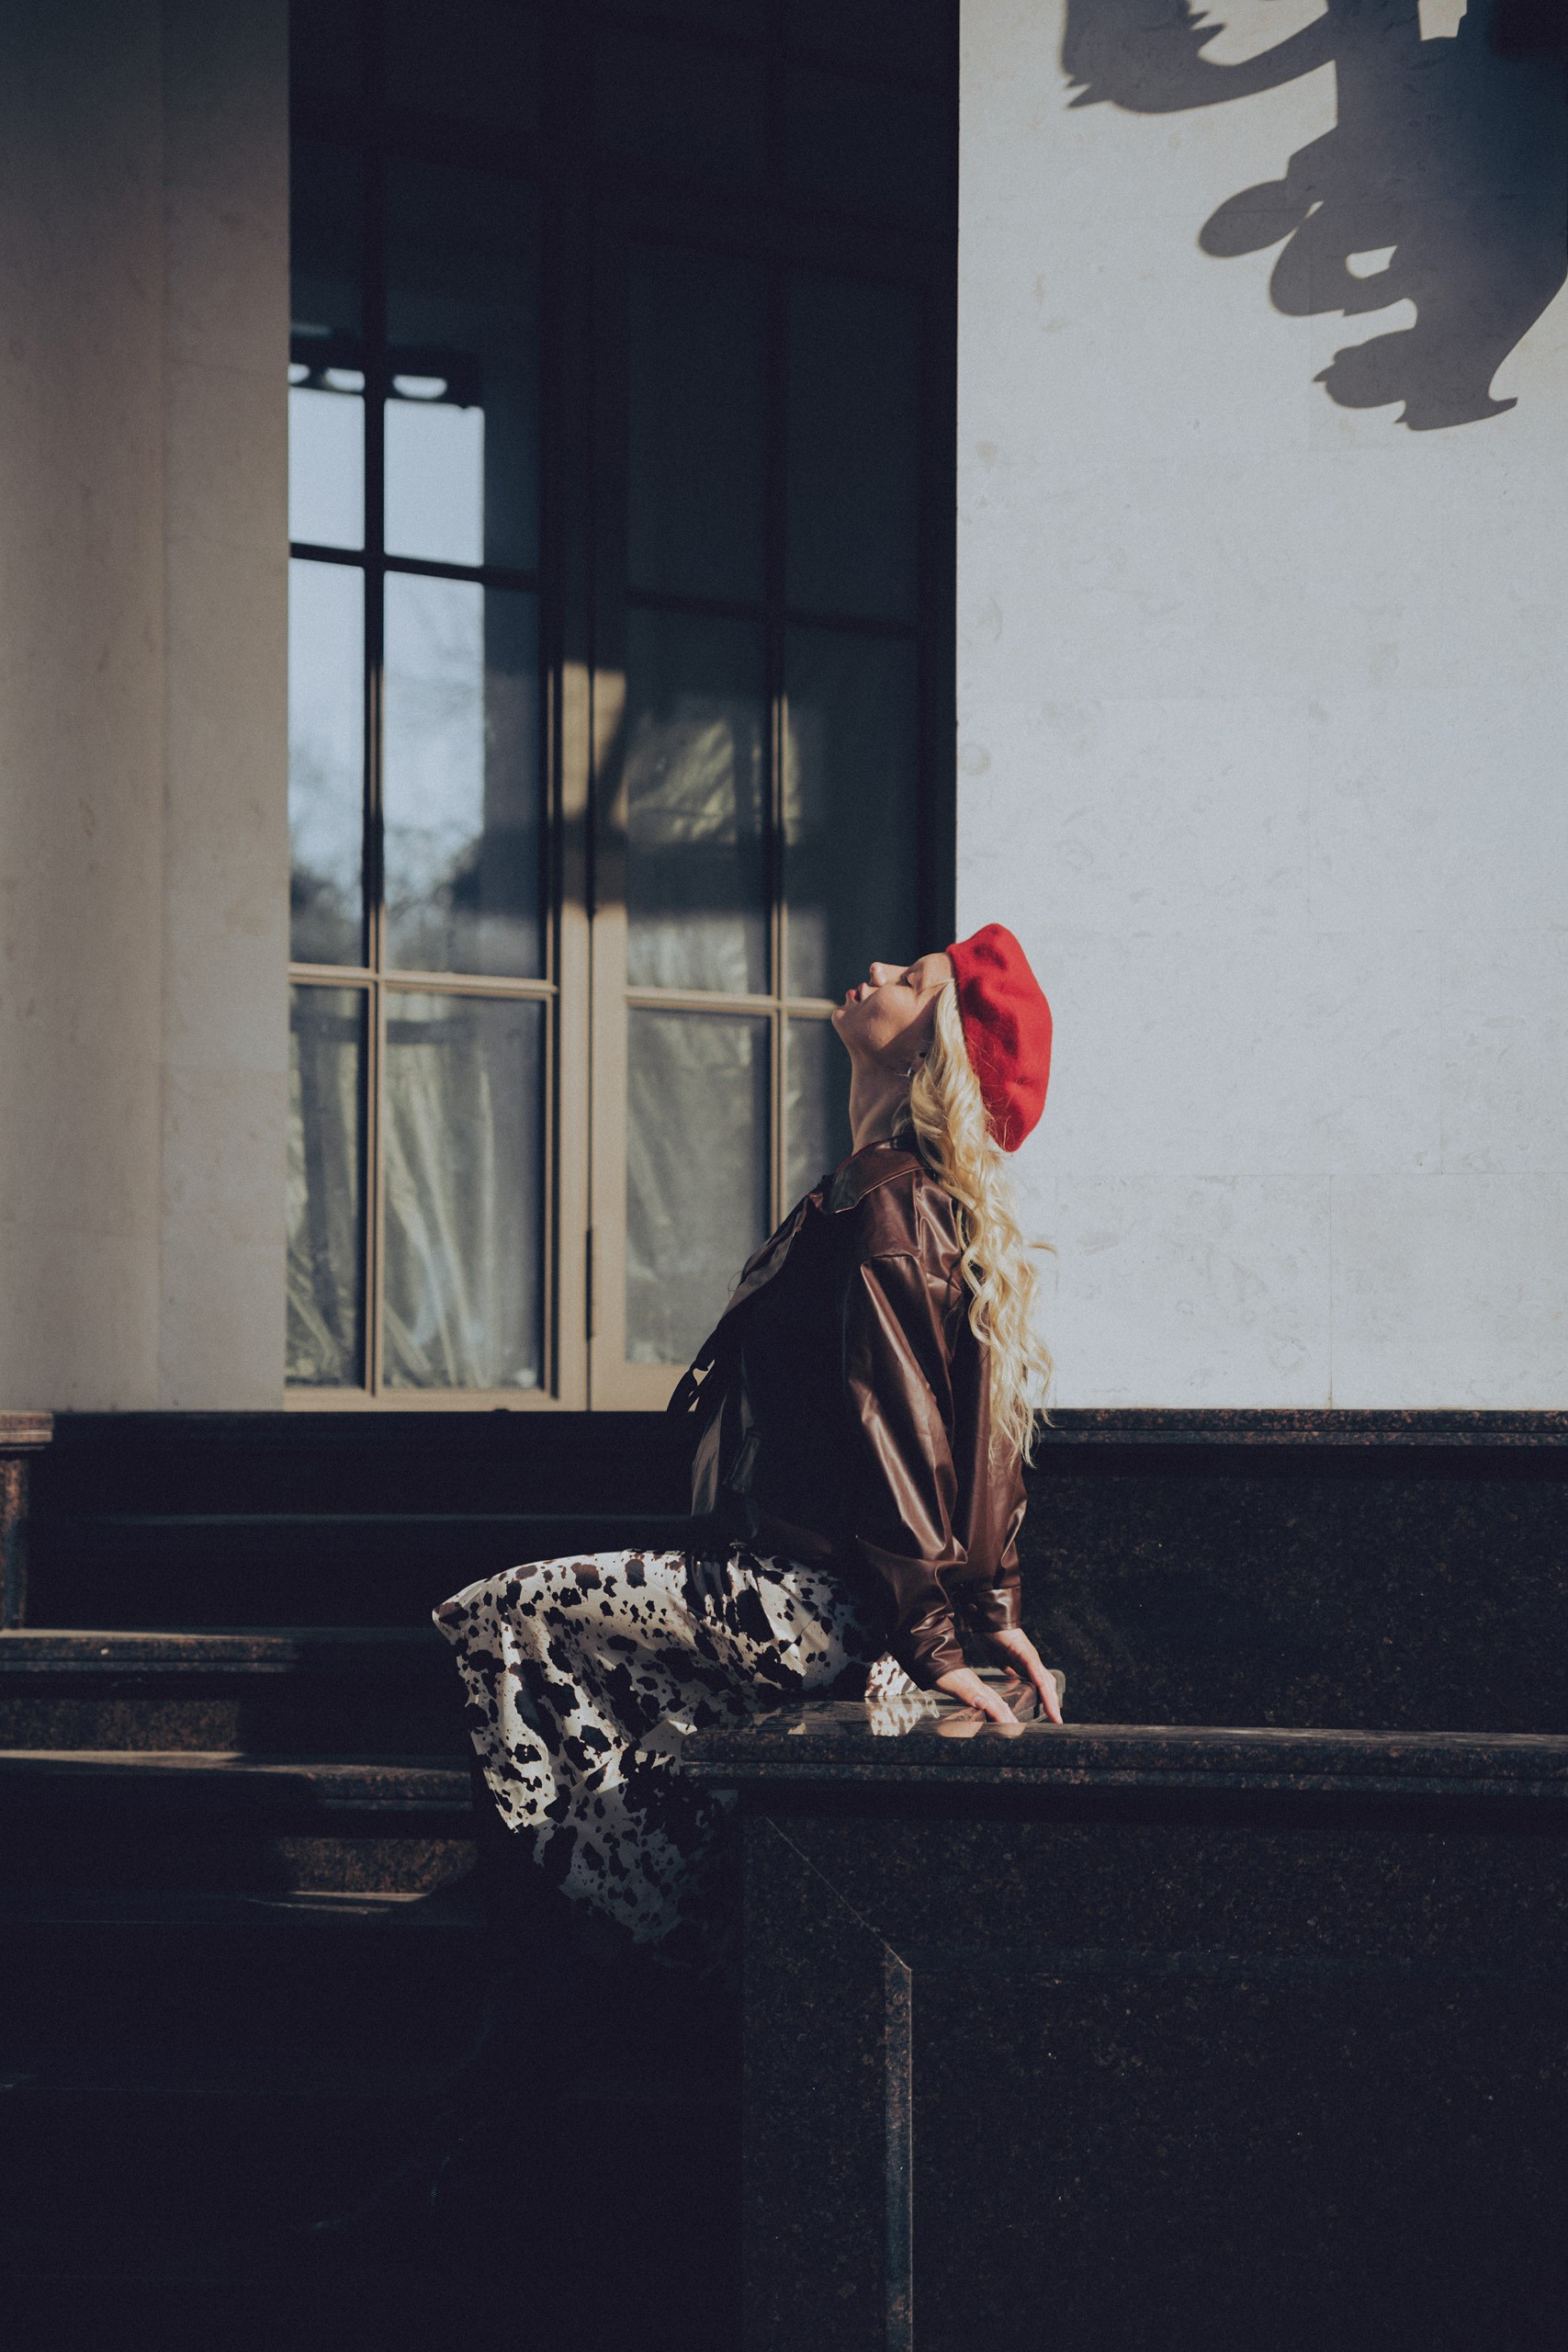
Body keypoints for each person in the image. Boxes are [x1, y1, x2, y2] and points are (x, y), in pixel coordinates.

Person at [434, 922, 1060, 1958]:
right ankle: (629, 1928)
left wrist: (943, 1638)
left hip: (824, 1602)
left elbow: (905, 1436)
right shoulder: (888, 1192)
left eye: (911, 980)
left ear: (928, 1047)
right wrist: (988, 1609)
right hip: (830, 1590)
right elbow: (976, 1432)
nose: (876, 970)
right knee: (624, 1732)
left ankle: (598, 1949)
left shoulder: (888, 1204)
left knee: (504, 1612)